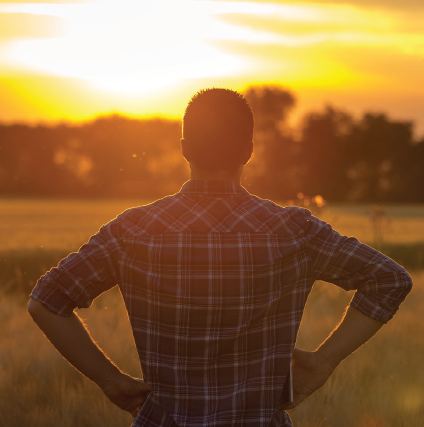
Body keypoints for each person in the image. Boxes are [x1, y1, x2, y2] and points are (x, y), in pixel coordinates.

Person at [28, 88, 413, 427]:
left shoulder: (134, 230)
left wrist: (111, 381)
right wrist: (325, 361)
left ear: (184, 148)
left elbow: (46, 302)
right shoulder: (295, 231)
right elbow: (390, 280)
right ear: (248, 151)